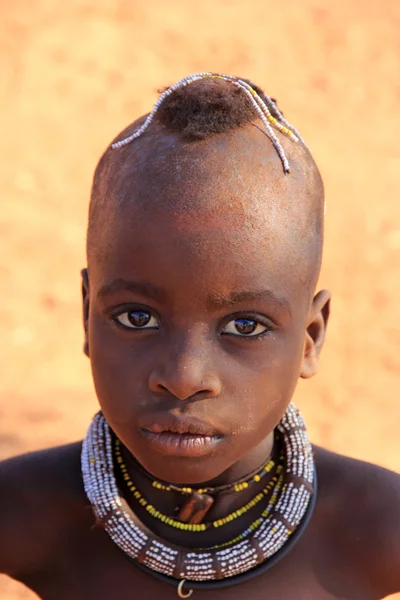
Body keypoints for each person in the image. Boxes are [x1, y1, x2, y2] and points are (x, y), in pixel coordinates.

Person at [0, 73, 399, 600]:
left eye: (245, 326)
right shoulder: (23, 512)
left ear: (310, 337)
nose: (184, 378)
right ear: (85, 315)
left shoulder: (379, 530)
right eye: (136, 318)